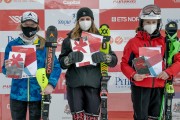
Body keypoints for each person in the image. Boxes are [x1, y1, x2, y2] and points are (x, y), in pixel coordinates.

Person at [120, 4, 180, 120]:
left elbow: (178, 60)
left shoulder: (165, 41)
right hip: (140, 87)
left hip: (159, 86)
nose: (150, 25)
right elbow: (124, 64)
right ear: (141, 23)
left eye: (153, 22)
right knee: (140, 117)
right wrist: (133, 75)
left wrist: (169, 72)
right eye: (147, 22)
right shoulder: (133, 42)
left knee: (155, 117)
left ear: (158, 23)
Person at [58, 7, 118, 120]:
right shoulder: (69, 39)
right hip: (74, 84)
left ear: (92, 20)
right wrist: (68, 59)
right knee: (77, 117)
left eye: (87, 18)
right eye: (82, 19)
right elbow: (61, 62)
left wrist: (105, 57)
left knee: (92, 117)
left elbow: (114, 60)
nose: (85, 21)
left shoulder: (101, 39)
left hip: (94, 84)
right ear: (77, 21)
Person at [2, 11, 61, 120]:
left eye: (32, 25)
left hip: (38, 94)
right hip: (17, 95)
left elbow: (56, 66)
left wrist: (51, 84)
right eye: (26, 25)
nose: (29, 27)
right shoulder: (12, 45)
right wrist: (8, 67)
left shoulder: (44, 45)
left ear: (37, 26)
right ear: (21, 25)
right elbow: (5, 70)